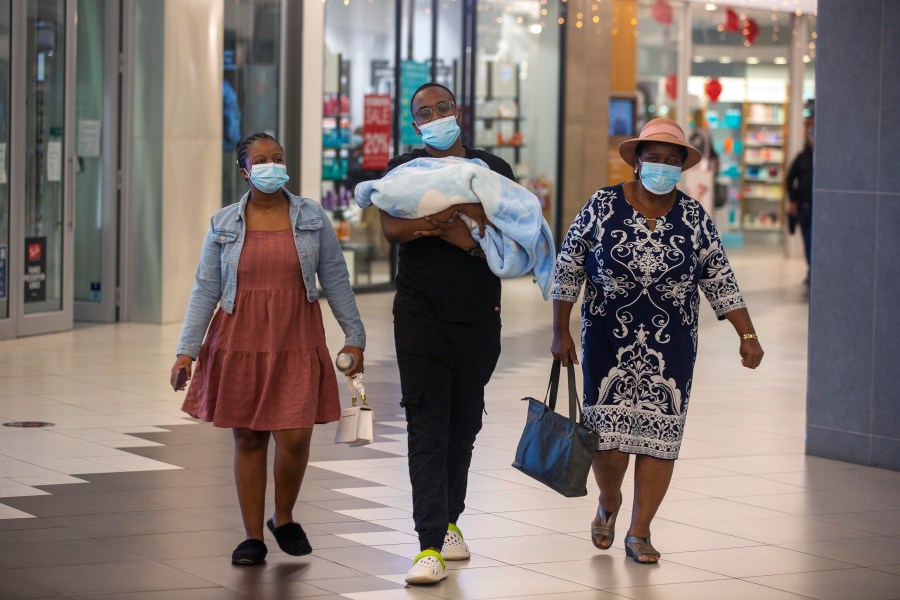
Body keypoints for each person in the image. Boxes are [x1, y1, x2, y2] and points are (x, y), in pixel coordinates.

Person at [550, 118, 764, 565]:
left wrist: (747, 335)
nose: (663, 167)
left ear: (683, 167)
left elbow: (720, 278)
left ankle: (640, 531)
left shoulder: (693, 217)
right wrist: (560, 330)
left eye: (673, 161)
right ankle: (609, 502)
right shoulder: (602, 205)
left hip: (672, 347)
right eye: (655, 159)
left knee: (659, 438)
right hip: (605, 341)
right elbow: (569, 264)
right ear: (637, 162)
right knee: (607, 441)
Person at [170, 132, 366, 566]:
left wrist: (355, 336)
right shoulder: (223, 223)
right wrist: (188, 350)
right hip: (240, 338)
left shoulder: (312, 216)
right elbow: (206, 288)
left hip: (297, 336)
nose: (272, 165)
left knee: (295, 437)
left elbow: (336, 279)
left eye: (277, 157)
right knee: (251, 437)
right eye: (261, 160)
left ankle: (285, 516)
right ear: (244, 171)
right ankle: (253, 536)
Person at [379, 82, 515, 585]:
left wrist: (437, 225)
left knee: (464, 425)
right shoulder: (404, 168)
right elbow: (393, 229)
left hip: (479, 316)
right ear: (414, 123)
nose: (434, 116)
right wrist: (458, 223)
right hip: (419, 316)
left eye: (442, 107)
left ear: (458, 110)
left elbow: (506, 240)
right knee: (426, 424)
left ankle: (452, 520)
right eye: (423, 112)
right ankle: (428, 544)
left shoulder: (493, 170)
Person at [786, 115, 814, 283]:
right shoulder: (802, 157)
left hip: (821, 209)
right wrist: (793, 201)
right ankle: (811, 270)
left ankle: (814, 271)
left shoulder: (825, 159)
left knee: (815, 241)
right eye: (809, 130)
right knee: (807, 241)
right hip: (804, 207)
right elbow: (789, 178)